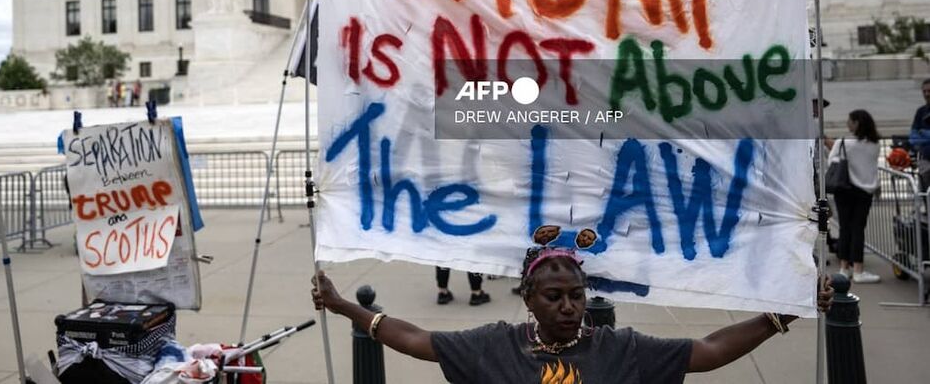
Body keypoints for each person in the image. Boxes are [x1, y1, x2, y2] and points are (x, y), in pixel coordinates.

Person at [312, 233, 834, 384]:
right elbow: (415, 340)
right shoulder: (495, 345)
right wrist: (342, 307)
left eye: (577, 296)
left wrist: (781, 314)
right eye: (554, 297)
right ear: (528, 300)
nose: (569, 307)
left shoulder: (619, 350)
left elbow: (709, 350)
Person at [825, 109, 882, 283]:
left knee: (845, 228)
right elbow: (872, 167)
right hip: (865, 191)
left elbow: (832, 161)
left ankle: (844, 268)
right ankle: (858, 269)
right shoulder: (875, 144)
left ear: (856, 123)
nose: (847, 124)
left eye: (849, 121)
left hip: (844, 189)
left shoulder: (844, 142)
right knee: (858, 229)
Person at [910, 77, 930, 191]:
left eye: (929, 91)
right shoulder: (921, 112)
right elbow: (913, 137)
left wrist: (925, 134)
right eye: (924, 91)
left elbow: (918, 134)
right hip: (925, 160)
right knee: (924, 190)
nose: (927, 94)